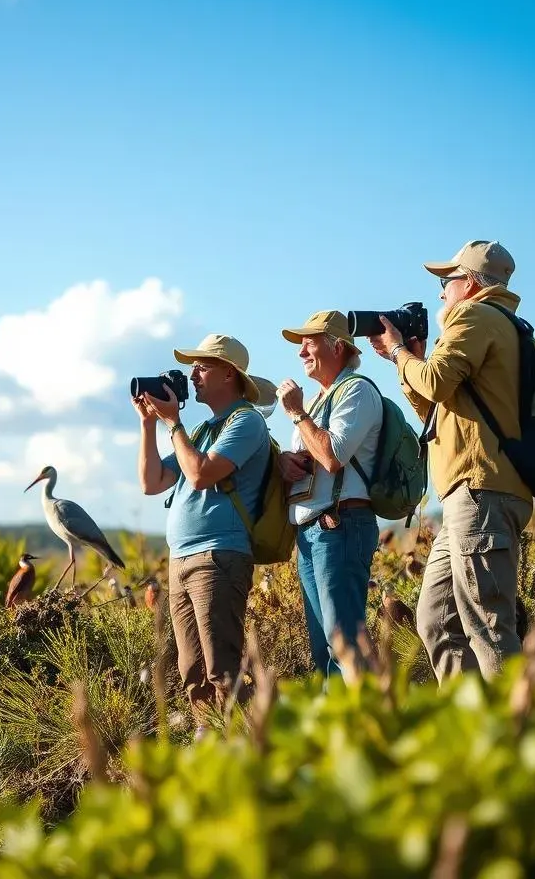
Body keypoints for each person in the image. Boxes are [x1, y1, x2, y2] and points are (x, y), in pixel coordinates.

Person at [369, 240, 533, 682]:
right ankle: (468, 726)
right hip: (474, 495)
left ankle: (515, 735)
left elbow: (437, 382)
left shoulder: (476, 317)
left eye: (447, 281)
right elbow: (437, 411)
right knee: (436, 621)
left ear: (472, 283)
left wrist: (402, 354)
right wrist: (408, 360)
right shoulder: (499, 326)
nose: (442, 293)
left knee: (489, 627)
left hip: (480, 493)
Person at [134, 334, 272, 731]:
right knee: (192, 672)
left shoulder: (245, 421)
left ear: (229, 374)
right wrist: (149, 425)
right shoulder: (200, 432)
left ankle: (253, 748)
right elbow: (152, 481)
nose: (191, 374)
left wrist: (173, 422)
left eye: (202, 366)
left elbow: (199, 474)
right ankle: (212, 752)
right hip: (183, 560)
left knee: (220, 669)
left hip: (218, 557)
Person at [275, 311, 382, 678]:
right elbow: (318, 457)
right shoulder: (323, 401)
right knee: (325, 652)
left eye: (310, 341)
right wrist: (288, 464)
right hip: (315, 531)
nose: (301, 350)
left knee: (344, 645)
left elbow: (332, 456)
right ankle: (338, 732)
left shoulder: (356, 390)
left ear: (338, 347)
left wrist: (296, 413)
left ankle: (366, 728)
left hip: (340, 526)